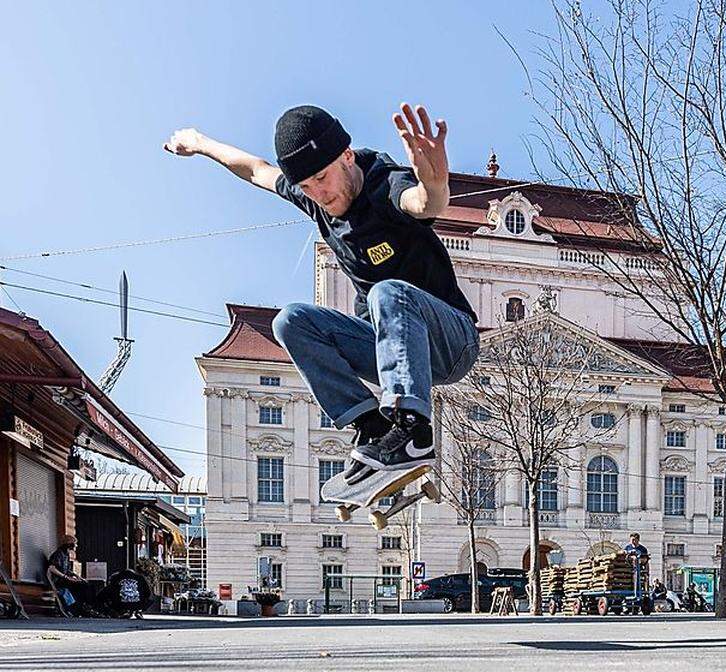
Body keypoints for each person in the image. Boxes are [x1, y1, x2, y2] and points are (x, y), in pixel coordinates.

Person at [165, 103, 478, 483]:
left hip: (451, 343)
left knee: (387, 294)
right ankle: (374, 428)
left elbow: (423, 203)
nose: (319, 194)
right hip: (389, 350)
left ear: (346, 156)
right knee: (291, 322)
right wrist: (199, 143)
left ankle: (413, 434)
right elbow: (256, 169)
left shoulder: (383, 183)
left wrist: (434, 182)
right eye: (306, 188)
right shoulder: (315, 198)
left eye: (322, 179)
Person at [46, 536, 95, 616]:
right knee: (81, 586)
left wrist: (78, 577)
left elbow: (67, 570)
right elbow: (52, 568)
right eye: (75, 544)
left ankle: (85, 607)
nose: (76, 546)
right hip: (58, 581)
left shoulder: (67, 554)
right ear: (69, 544)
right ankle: (79, 609)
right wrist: (66, 577)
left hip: (64, 580)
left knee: (88, 585)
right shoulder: (58, 554)